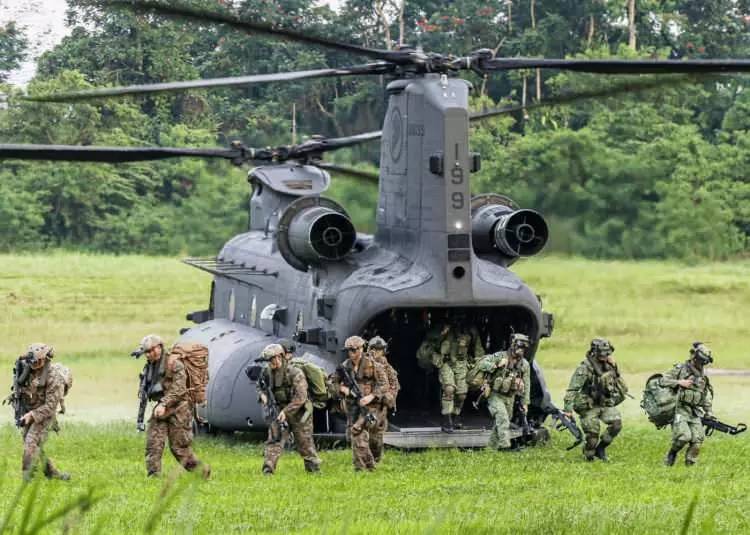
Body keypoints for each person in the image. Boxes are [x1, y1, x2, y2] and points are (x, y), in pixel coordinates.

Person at [137, 334, 209, 478]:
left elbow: (179, 389)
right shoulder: (149, 368)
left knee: (179, 448)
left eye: (152, 350)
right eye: (147, 352)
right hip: (161, 409)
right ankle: (153, 475)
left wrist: (164, 403)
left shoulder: (174, 363)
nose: (150, 354)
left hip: (179, 408)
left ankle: (202, 472)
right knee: (153, 443)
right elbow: (145, 390)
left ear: (159, 348)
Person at [256, 343, 321, 475]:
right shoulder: (267, 372)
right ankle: (268, 469)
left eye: (271, 360)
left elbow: (301, 397)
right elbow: (260, 385)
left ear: (279, 357)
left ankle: (313, 469)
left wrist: (286, 412)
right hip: (278, 409)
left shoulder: (295, 372)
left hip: (299, 412)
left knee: (304, 442)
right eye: (268, 360)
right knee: (274, 439)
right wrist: (262, 395)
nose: (269, 363)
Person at [12, 343, 70, 481]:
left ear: (45, 360)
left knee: (30, 442)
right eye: (33, 361)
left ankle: (26, 477)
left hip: (45, 414)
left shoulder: (54, 378)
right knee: (32, 443)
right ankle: (52, 473)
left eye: (39, 361)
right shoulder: (26, 370)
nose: (35, 364)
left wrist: (31, 416)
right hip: (29, 410)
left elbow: (50, 407)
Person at [563, 338, 627, 461]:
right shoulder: (585, 368)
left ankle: (601, 449)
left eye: (607, 353)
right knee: (592, 438)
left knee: (616, 425)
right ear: (595, 352)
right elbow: (572, 389)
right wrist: (568, 409)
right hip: (589, 405)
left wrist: (615, 367)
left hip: (604, 403)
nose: (605, 355)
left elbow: (618, 380)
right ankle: (589, 454)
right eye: (602, 353)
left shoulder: (609, 365)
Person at [332, 336, 388, 471]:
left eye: (354, 350)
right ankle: (362, 468)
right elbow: (332, 383)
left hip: (371, 407)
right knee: (356, 433)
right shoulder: (345, 367)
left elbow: (384, 385)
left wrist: (371, 396)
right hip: (353, 407)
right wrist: (343, 389)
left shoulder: (373, 365)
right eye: (349, 350)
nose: (351, 353)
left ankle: (370, 463)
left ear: (361, 349)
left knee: (373, 438)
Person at [660, 342, 714, 466]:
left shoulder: (702, 376)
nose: (701, 364)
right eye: (700, 361)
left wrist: (709, 413)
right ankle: (672, 454)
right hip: (679, 409)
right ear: (694, 357)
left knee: (697, 441)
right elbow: (662, 380)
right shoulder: (680, 369)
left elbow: (704, 396)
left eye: (704, 362)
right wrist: (679, 382)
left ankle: (689, 466)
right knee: (684, 437)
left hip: (694, 412)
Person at [474, 334, 531, 451]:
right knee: (503, 418)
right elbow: (481, 364)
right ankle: (505, 447)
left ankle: (491, 448)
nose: (521, 350)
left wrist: (525, 403)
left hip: (510, 397)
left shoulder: (524, 364)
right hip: (495, 394)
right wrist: (496, 365)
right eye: (519, 347)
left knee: (502, 421)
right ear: (513, 345)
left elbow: (527, 383)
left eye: (524, 348)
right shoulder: (500, 356)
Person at [435, 316, 485, 432]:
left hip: (462, 363)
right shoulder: (444, 329)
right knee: (449, 389)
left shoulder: (470, 331)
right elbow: (432, 343)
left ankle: (455, 415)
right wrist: (443, 333)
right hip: (446, 362)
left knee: (462, 394)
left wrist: (479, 364)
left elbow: (478, 349)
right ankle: (446, 418)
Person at [367, 336, 400, 461]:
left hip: (379, 405)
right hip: (365, 403)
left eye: (380, 350)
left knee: (376, 433)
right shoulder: (363, 363)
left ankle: (375, 459)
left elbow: (394, 384)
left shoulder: (387, 367)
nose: (377, 352)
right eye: (375, 349)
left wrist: (390, 396)